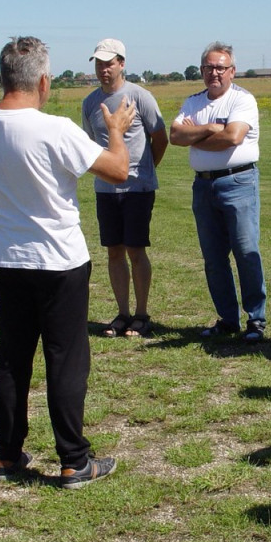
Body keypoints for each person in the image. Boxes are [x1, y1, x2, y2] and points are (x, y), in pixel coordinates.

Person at [0, 37, 134, 489]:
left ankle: (8, 456)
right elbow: (117, 169)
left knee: (13, 359)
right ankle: (75, 460)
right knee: (66, 359)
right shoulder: (54, 129)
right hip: (59, 262)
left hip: (7, 260)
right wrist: (117, 129)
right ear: (42, 80)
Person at [169, 42, 267, 342]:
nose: (215, 73)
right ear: (202, 71)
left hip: (238, 182)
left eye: (221, 68)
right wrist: (212, 128)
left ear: (232, 71)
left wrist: (196, 135)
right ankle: (227, 319)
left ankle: (256, 320)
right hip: (203, 185)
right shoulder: (193, 102)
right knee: (213, 258)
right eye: (209, 67)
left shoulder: (242, 100)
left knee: (246, 252)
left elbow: (233, 136)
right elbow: (175, 136)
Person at [82, 38, 168, 338]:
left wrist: (145, 172)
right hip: (105, 190)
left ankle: (142, 314)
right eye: (99, 63)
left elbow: (160, 137)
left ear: (121, 63)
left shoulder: (140, 97)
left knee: (135, 249)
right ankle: (122, 313)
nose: (103, 69)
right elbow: (91, 145)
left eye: (109, 63)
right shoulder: (90, 102)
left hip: (137, 189)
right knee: (114, 251)